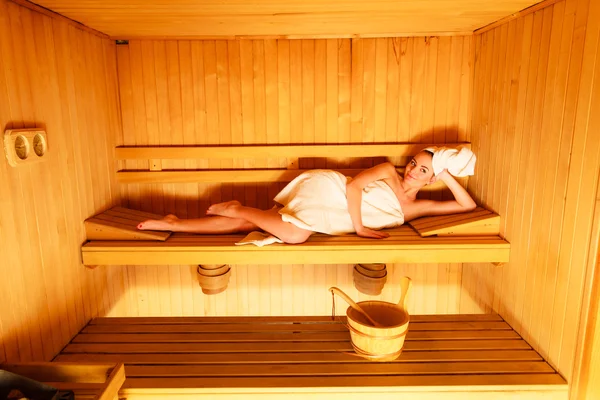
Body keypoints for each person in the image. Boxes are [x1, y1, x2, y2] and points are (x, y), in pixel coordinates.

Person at [137, 150, 477, 244]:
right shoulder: (389, 169)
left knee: (247, 226)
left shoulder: (419, 206)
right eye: (415, 163)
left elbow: (467, 206)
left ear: (432, 180)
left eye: (422, 171)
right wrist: (358, 229)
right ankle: (239, 206)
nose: (412, 170)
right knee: (296, 234)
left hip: (330, 218)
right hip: (328, 191)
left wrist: (445, 170)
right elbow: (354, 186)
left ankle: (175, 223)